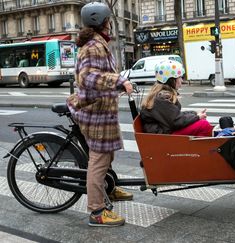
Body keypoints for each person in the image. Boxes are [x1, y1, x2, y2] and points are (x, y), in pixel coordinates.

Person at [66, 2, 134, 227]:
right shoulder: (94, 46)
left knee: (108, 154)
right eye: (108, 21)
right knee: (99, 158)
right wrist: (118, 81)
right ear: (102, 22)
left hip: (102, 110)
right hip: (95, 112)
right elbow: (88, 76)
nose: (111, 25)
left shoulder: (99, 43)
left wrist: (118, 83)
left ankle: (109, 188)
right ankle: (97, 211)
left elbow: (101, 75)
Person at [140, 60, 212, 136]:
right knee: (204, 125)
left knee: (201, 121)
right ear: (171, 80)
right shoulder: (161, 98)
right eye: (180, 77)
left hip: (164, 131)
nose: (181, 80)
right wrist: (197, 117)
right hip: (162, 136)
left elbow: (175, 115)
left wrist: (195, 113)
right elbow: (176, 121)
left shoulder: (161, 95)